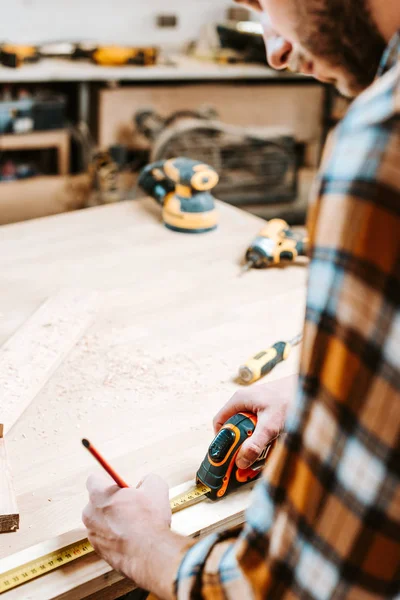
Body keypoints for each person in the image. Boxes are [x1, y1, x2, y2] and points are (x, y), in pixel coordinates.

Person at [82, 0, 400, 598]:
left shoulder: (384, 136)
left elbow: (296, 588)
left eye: (263, 4)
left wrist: (142, 544)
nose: (275, 51)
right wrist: (322, 381)